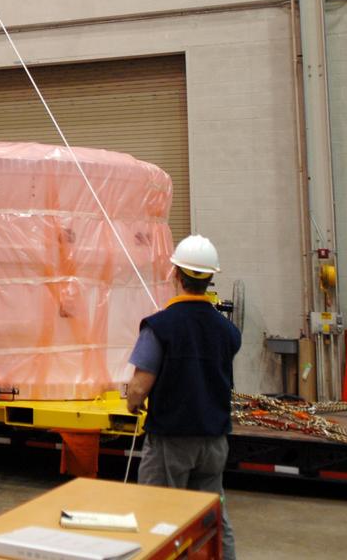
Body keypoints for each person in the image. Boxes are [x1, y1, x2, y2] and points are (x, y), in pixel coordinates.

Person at [126, 234, 240, 560]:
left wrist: (132, 403)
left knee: (157, 513)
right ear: (210, 278)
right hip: (215, 440)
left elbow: (138, 388)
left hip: (171, 440)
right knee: (212, 513)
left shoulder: (160, 327)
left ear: (176, 274)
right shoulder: (227, 330)